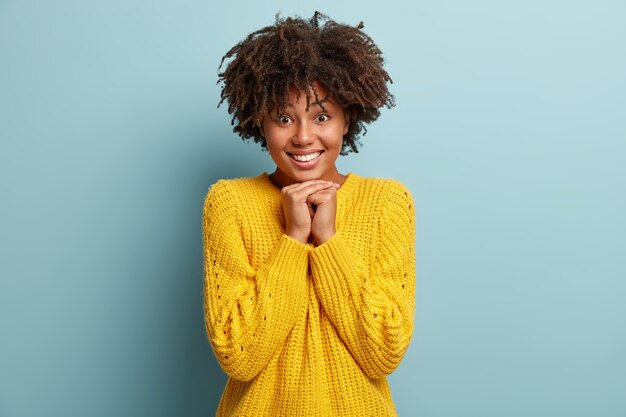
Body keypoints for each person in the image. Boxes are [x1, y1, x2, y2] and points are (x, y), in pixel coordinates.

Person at [202, 11, 416, 417]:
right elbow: (239, 354)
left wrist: (329, 239)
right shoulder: (229, 202)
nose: (302, 136)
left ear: (347, 118)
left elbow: (384, 352)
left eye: (322, 116)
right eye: (283, 118)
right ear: (259, 121)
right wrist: (294, 238)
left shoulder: (388, 202)